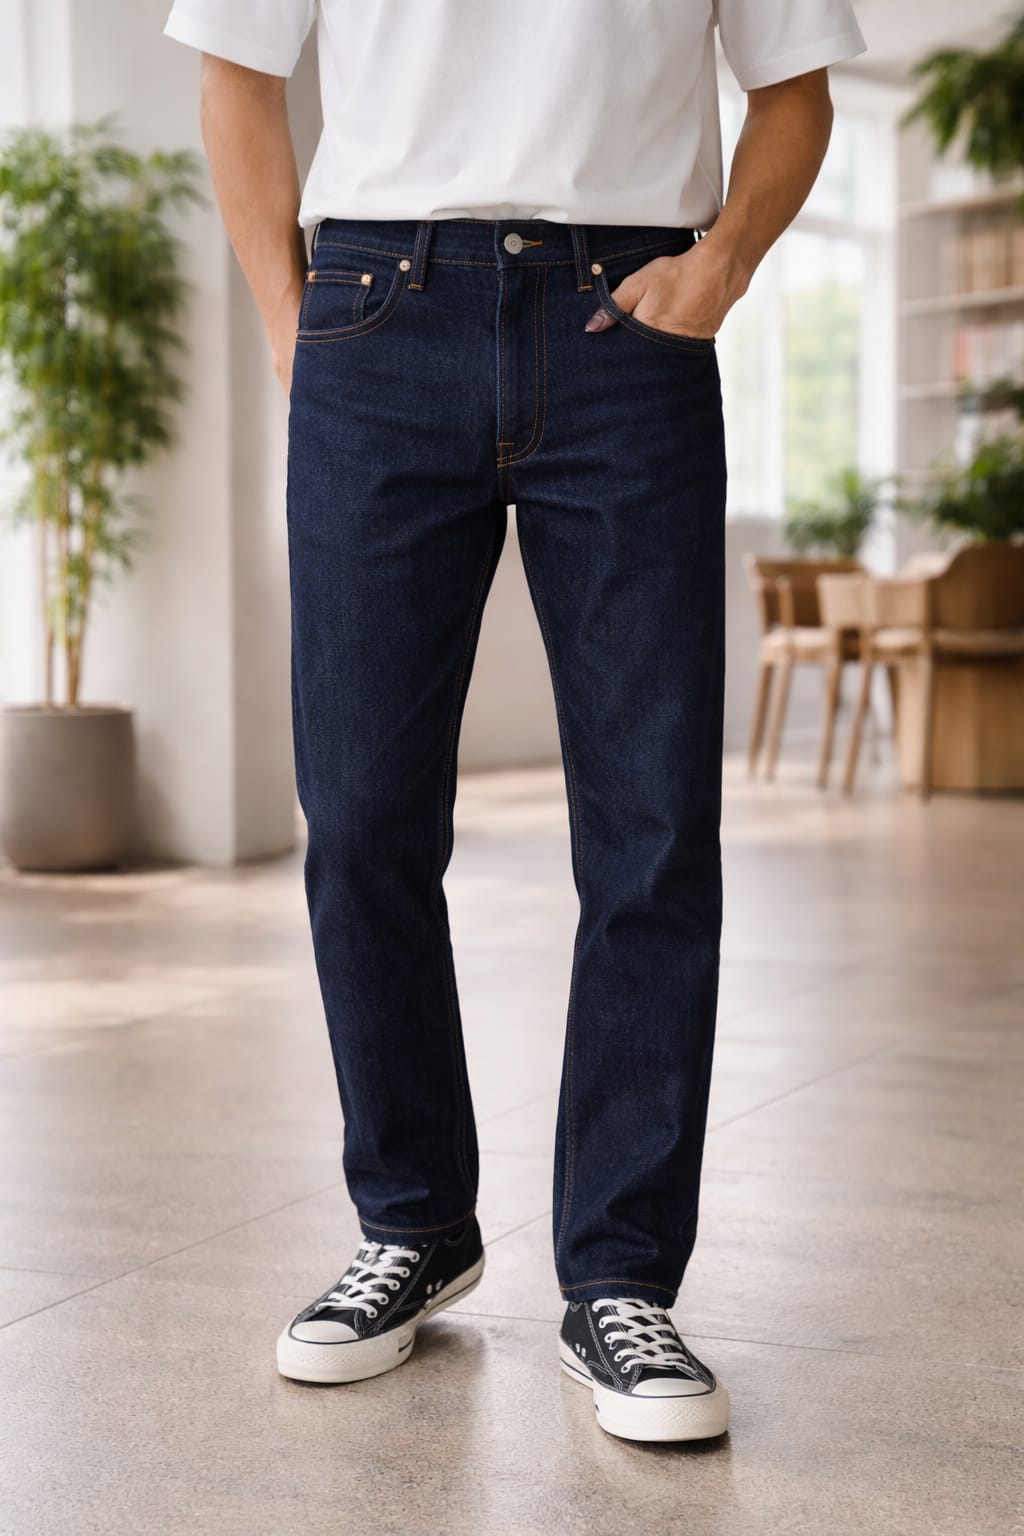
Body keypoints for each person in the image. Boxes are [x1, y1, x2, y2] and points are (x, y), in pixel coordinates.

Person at [163, 0, 866, 1443]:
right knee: (357, 810)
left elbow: (795, 94)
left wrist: (721, 265)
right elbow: (234, 73)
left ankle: (619, 1273)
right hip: (374, 307)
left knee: (655, 825)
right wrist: (299, 326)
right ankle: (413, 1222)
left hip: (631, 326)